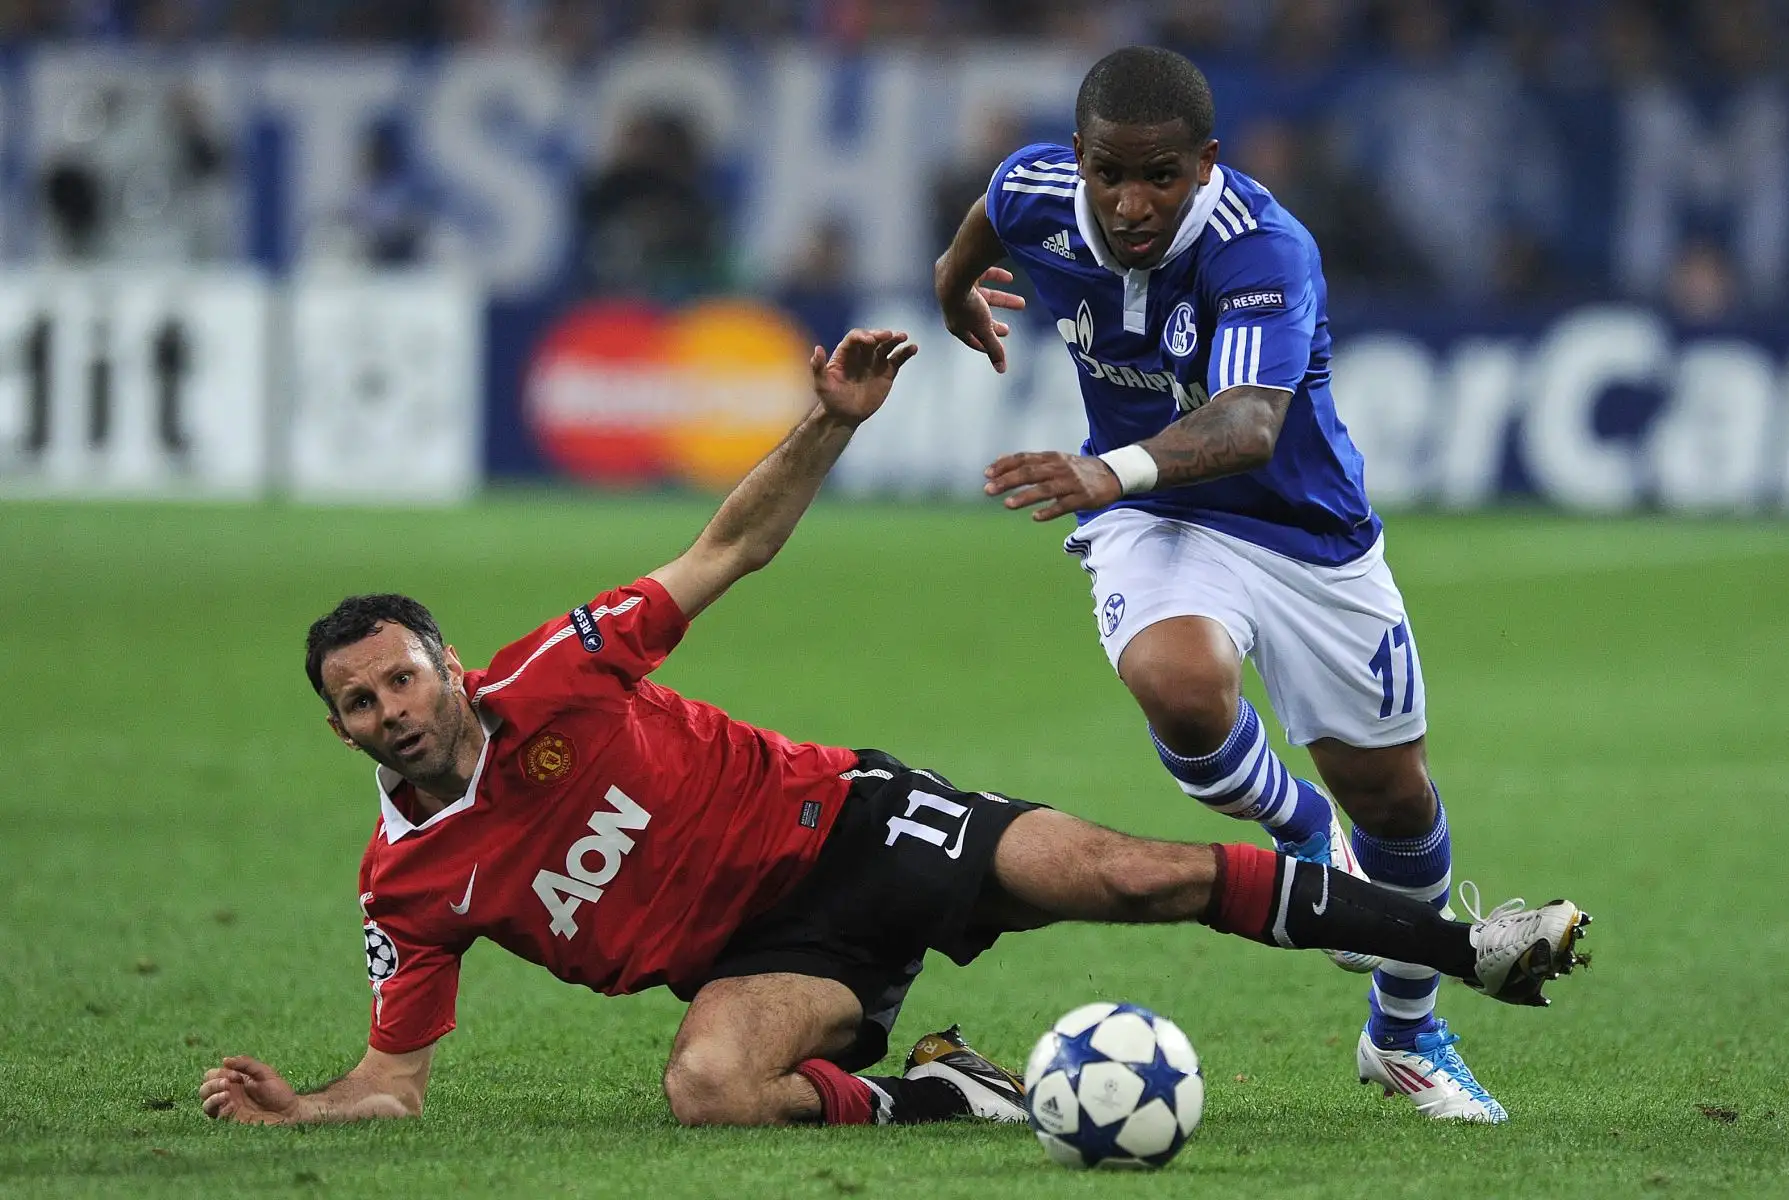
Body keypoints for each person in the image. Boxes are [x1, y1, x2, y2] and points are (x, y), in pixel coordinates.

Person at [198, 328, 1590, 1130]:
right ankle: (960, 1099)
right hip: (770, 958)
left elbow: (727, 550)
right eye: (359, 704)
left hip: (846, 821)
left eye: (401, 679)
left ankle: (1471, 948)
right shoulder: (406, 888)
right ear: (342, 733)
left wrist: (826, 422)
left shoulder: (557, 673)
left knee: (1132, 876)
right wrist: (308, 1109)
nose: (391, 711)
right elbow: (395, 1082)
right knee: (705, 1092)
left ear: (446, 666)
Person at [932, 46, 1519, 1121]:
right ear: (1080, 158)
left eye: (1160, 175)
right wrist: (953, 285)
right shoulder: (1035, 188)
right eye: (1110, 173)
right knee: (1179, 679)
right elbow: (988, 211)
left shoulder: (1264, 249)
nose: (1131, 202)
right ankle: (1298, 829)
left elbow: (1251, 425)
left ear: (1205, 164)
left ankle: (1403, 1034)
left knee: (1394, 800)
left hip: (1307, 536)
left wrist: (1100, 468)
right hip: (1155, 516)